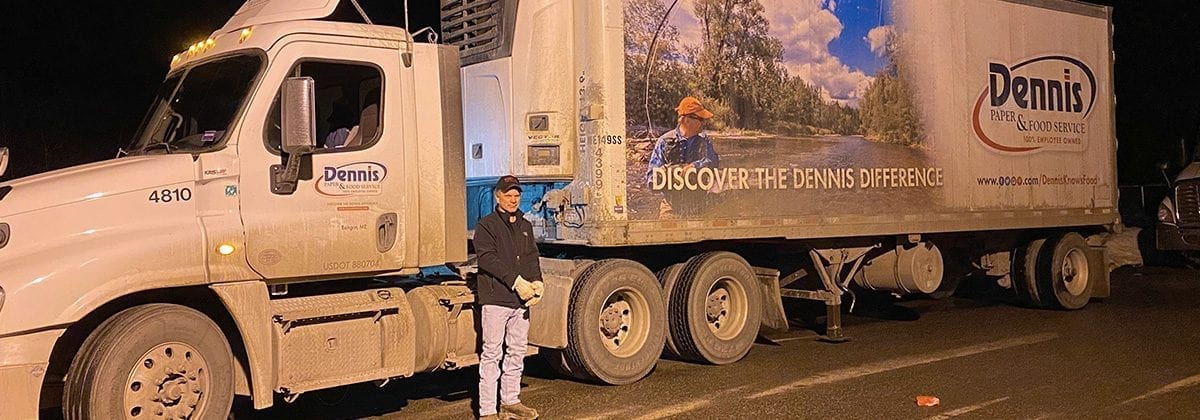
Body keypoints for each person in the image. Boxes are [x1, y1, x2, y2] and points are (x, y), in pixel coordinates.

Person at [473, 175, 544, 420]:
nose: (513, 200)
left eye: (516, 196)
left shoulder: (525, 225)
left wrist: (537, 282)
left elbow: (531, 256)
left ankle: (511, 401)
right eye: (508, 195)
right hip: (496, 299)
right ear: (498, 196)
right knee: (492, 353)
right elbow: (487, 259)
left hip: (520, 301)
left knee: (517, 351)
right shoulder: (486, 225)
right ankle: (488, 411)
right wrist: (516, 281)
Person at [646, 96, 721, 217]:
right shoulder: (663, 141)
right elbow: (650, 180)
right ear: (687, 120)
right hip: (670, 207)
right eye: (701, 119)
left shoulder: (704, 141)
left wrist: (695, 166)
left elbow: (713, 161)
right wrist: (661, 175)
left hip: (699, 206)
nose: (704, 123)